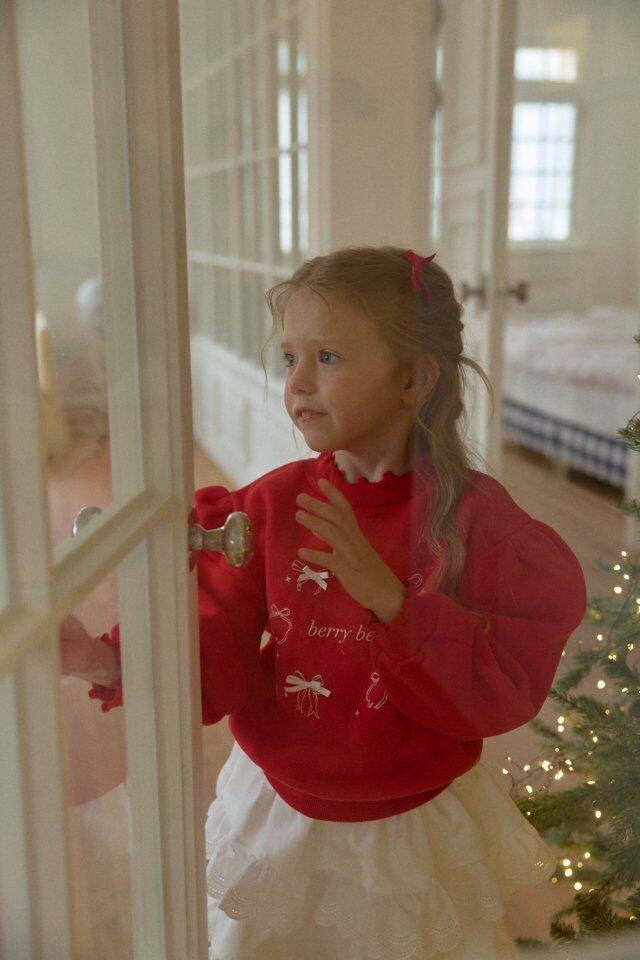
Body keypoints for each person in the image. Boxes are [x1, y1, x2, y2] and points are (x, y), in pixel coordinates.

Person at [60, 245, 588, 960]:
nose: (298, 383)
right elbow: (212, 648)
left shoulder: (477, 524)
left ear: (413, 378)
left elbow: (500, 688)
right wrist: (100, 660)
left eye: (328, 357)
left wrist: (390, 599)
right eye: (290, 358)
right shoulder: (269, 507)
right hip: (283, 815)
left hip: (412, 832)